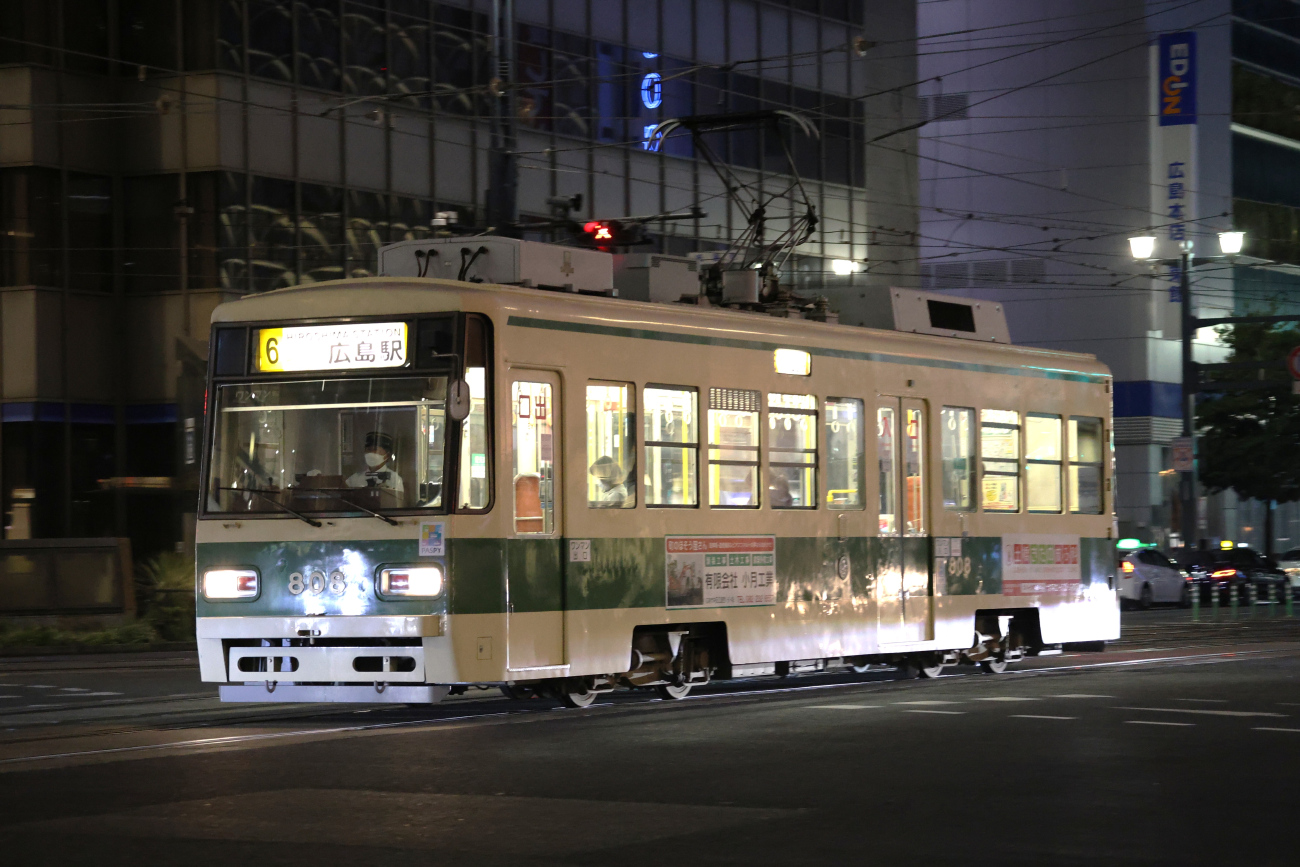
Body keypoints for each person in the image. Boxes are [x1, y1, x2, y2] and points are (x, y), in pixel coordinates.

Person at [346, 431, 405, 496]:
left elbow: (397, 503)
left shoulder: (395, 480)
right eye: (368, 449)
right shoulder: (354, 479)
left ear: (387, 455)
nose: (371, 453)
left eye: (376, 450)